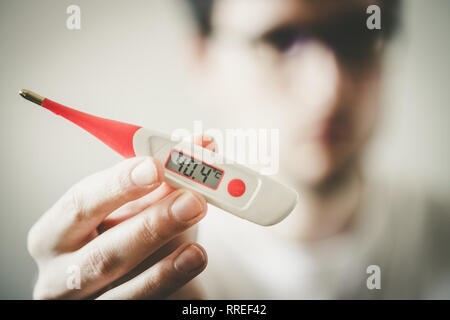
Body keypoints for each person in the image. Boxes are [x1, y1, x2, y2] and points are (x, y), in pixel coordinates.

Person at [27, 0, 450, 299]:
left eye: (359, 36)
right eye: (279, 40)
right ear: (202, 60)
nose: (328, 90)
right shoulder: (142, 267)